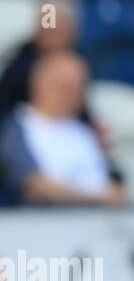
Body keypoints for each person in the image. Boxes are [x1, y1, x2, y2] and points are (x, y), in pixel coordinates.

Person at [0, 51, 124, 207]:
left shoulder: (87, 128)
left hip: (101, 222)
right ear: (38, 83)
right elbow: (34, 185)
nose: (72, 94)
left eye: (79, 86)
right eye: (64, 86)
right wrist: (100, 197)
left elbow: (117, 184)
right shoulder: (15, 127)